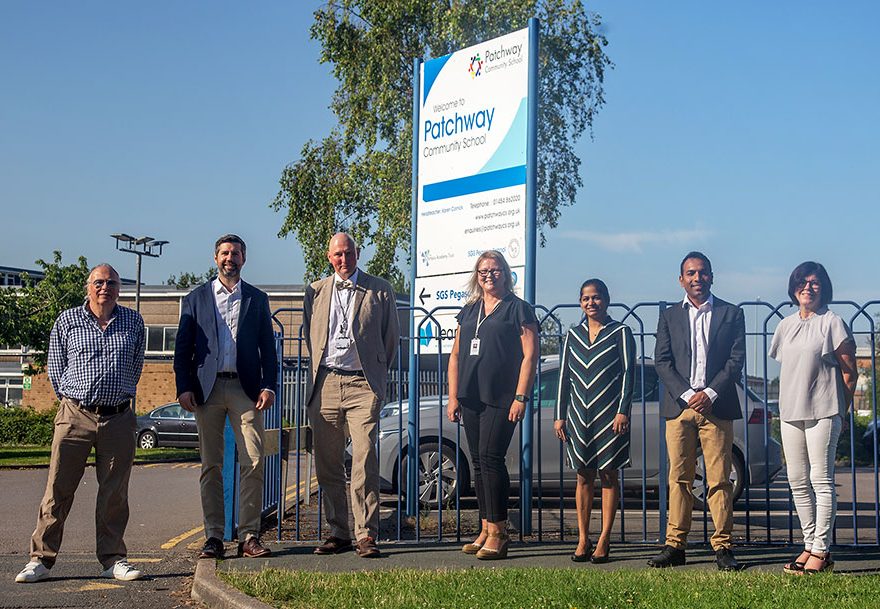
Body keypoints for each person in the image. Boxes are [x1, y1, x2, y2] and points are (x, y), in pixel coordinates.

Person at [16, 264, 145, 584]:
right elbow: (56, 367)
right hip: (75, 414)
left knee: (115, 493)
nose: (105, 287)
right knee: (58, 489)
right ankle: (41, 560)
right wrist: (73, 399)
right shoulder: (68, 320)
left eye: (112, 283)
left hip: (118, 417)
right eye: (99, 282)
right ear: (88, 287)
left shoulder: (133, 321)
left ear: (119, 288)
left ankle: (113, 559)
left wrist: (119, 393)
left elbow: (136, 363)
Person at [173, 234, 278, 560]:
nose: (229, 258)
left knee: (254, 460)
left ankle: (249, 536)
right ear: (215, 258)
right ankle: (214, 537)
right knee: (211, 465)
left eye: (235, 253)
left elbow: (267, 348)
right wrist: (184, 385)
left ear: (243, 259)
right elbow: (183, 349)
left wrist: (269, 385)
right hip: (207, 391)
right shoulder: (196, 298)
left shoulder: (256, 299)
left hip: (245, 390)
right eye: (224, 253)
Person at [303, 232, 400, 558]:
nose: (343, 260)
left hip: (363, 386)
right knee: (328, 464)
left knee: (364, 460)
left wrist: (374, 373)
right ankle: (338, 532)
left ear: (357, 253)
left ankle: (365, 535)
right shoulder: (316, 291)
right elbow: (311, 336)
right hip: (326, 384)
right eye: (337, 255)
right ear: (329, 257)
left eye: (348, 253)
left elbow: (390, 339)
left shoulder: (379, 289)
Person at [648, 251, 745, 571]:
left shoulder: (731, 314)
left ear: (712, 277)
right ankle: (675, 546)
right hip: (679, 409)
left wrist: (710, 393)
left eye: (702, 273)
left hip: (717, 408)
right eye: (690, 273)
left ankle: (723, 547)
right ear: (681, 279)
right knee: (679, 479)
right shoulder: (669, 316)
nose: (697, 278)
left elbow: (735, 360)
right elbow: (661, 361)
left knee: (718, 479)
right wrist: (690, 395)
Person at [447, 250, 539, 560]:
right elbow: (456, 355)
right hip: (471, 396)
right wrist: (453, 396)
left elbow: (531, 355)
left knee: (491, 458)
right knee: (477, 461)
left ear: (506, 273)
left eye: (496, 269)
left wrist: (520, 396)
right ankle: (486, 527)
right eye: (484, 270)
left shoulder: (518, 309)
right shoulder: (470, 310)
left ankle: (500, 532)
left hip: (503, 398)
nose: (489, 274)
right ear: (477, 275)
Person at [770, 262, 856, 575]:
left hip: (824, 410)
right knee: (796, 480)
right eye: (802, 281)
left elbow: (850, 372)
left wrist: (842, 412)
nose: (808, 287)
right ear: (793, 287)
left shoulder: (832, 323)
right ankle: (808, 544)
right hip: (790, 412)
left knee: (821, 480)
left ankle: (822, 548)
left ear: (824, 287)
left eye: (815, 282)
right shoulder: (785, 324)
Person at [554, 279, 635, 564]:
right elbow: (564, 377)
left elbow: (628, 373)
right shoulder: (572, 336)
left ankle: (604, 539)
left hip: (611, 416)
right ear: (580, 302)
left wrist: (623, 410)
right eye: (586, 298)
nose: (591, 303)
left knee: (609, 475)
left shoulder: (621, 332)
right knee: (582, 475)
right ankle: (583, 538)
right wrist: (559, 415)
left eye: (597, 297)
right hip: (578, 416)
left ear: (607, 299)